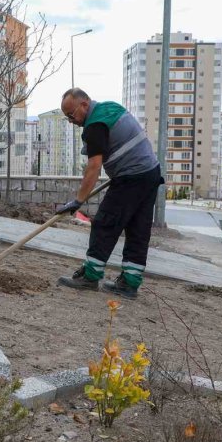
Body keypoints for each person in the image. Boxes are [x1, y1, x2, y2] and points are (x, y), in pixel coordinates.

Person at [55, 88, 163, 298]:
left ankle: (90, 276)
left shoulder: (95, 125)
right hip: (150, 173)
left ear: (84, 104)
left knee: (105, 223)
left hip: (131, 177)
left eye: (71, 115)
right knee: (137, 229)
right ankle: (130, 283)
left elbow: (94, 167)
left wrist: (78, 201)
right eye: (67, 117)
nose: (71, 120)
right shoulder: (110, 109)